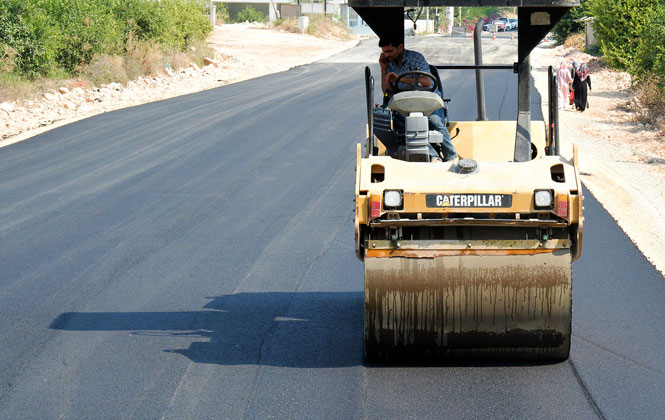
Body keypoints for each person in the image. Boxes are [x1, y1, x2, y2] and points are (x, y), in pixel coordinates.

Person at [378, 32, 457, 162]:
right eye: (384, 52)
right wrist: (383, 69)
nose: (387, 55)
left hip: (428, 100)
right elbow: (387, 93)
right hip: (405, 105)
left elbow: (427, 82)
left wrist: (400, 80)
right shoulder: (389, 64)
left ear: (400, 47)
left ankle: (451, 156)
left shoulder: (415, 58)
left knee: (434, 121)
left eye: (390, 51)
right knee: (409, 125)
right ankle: (434, 157)